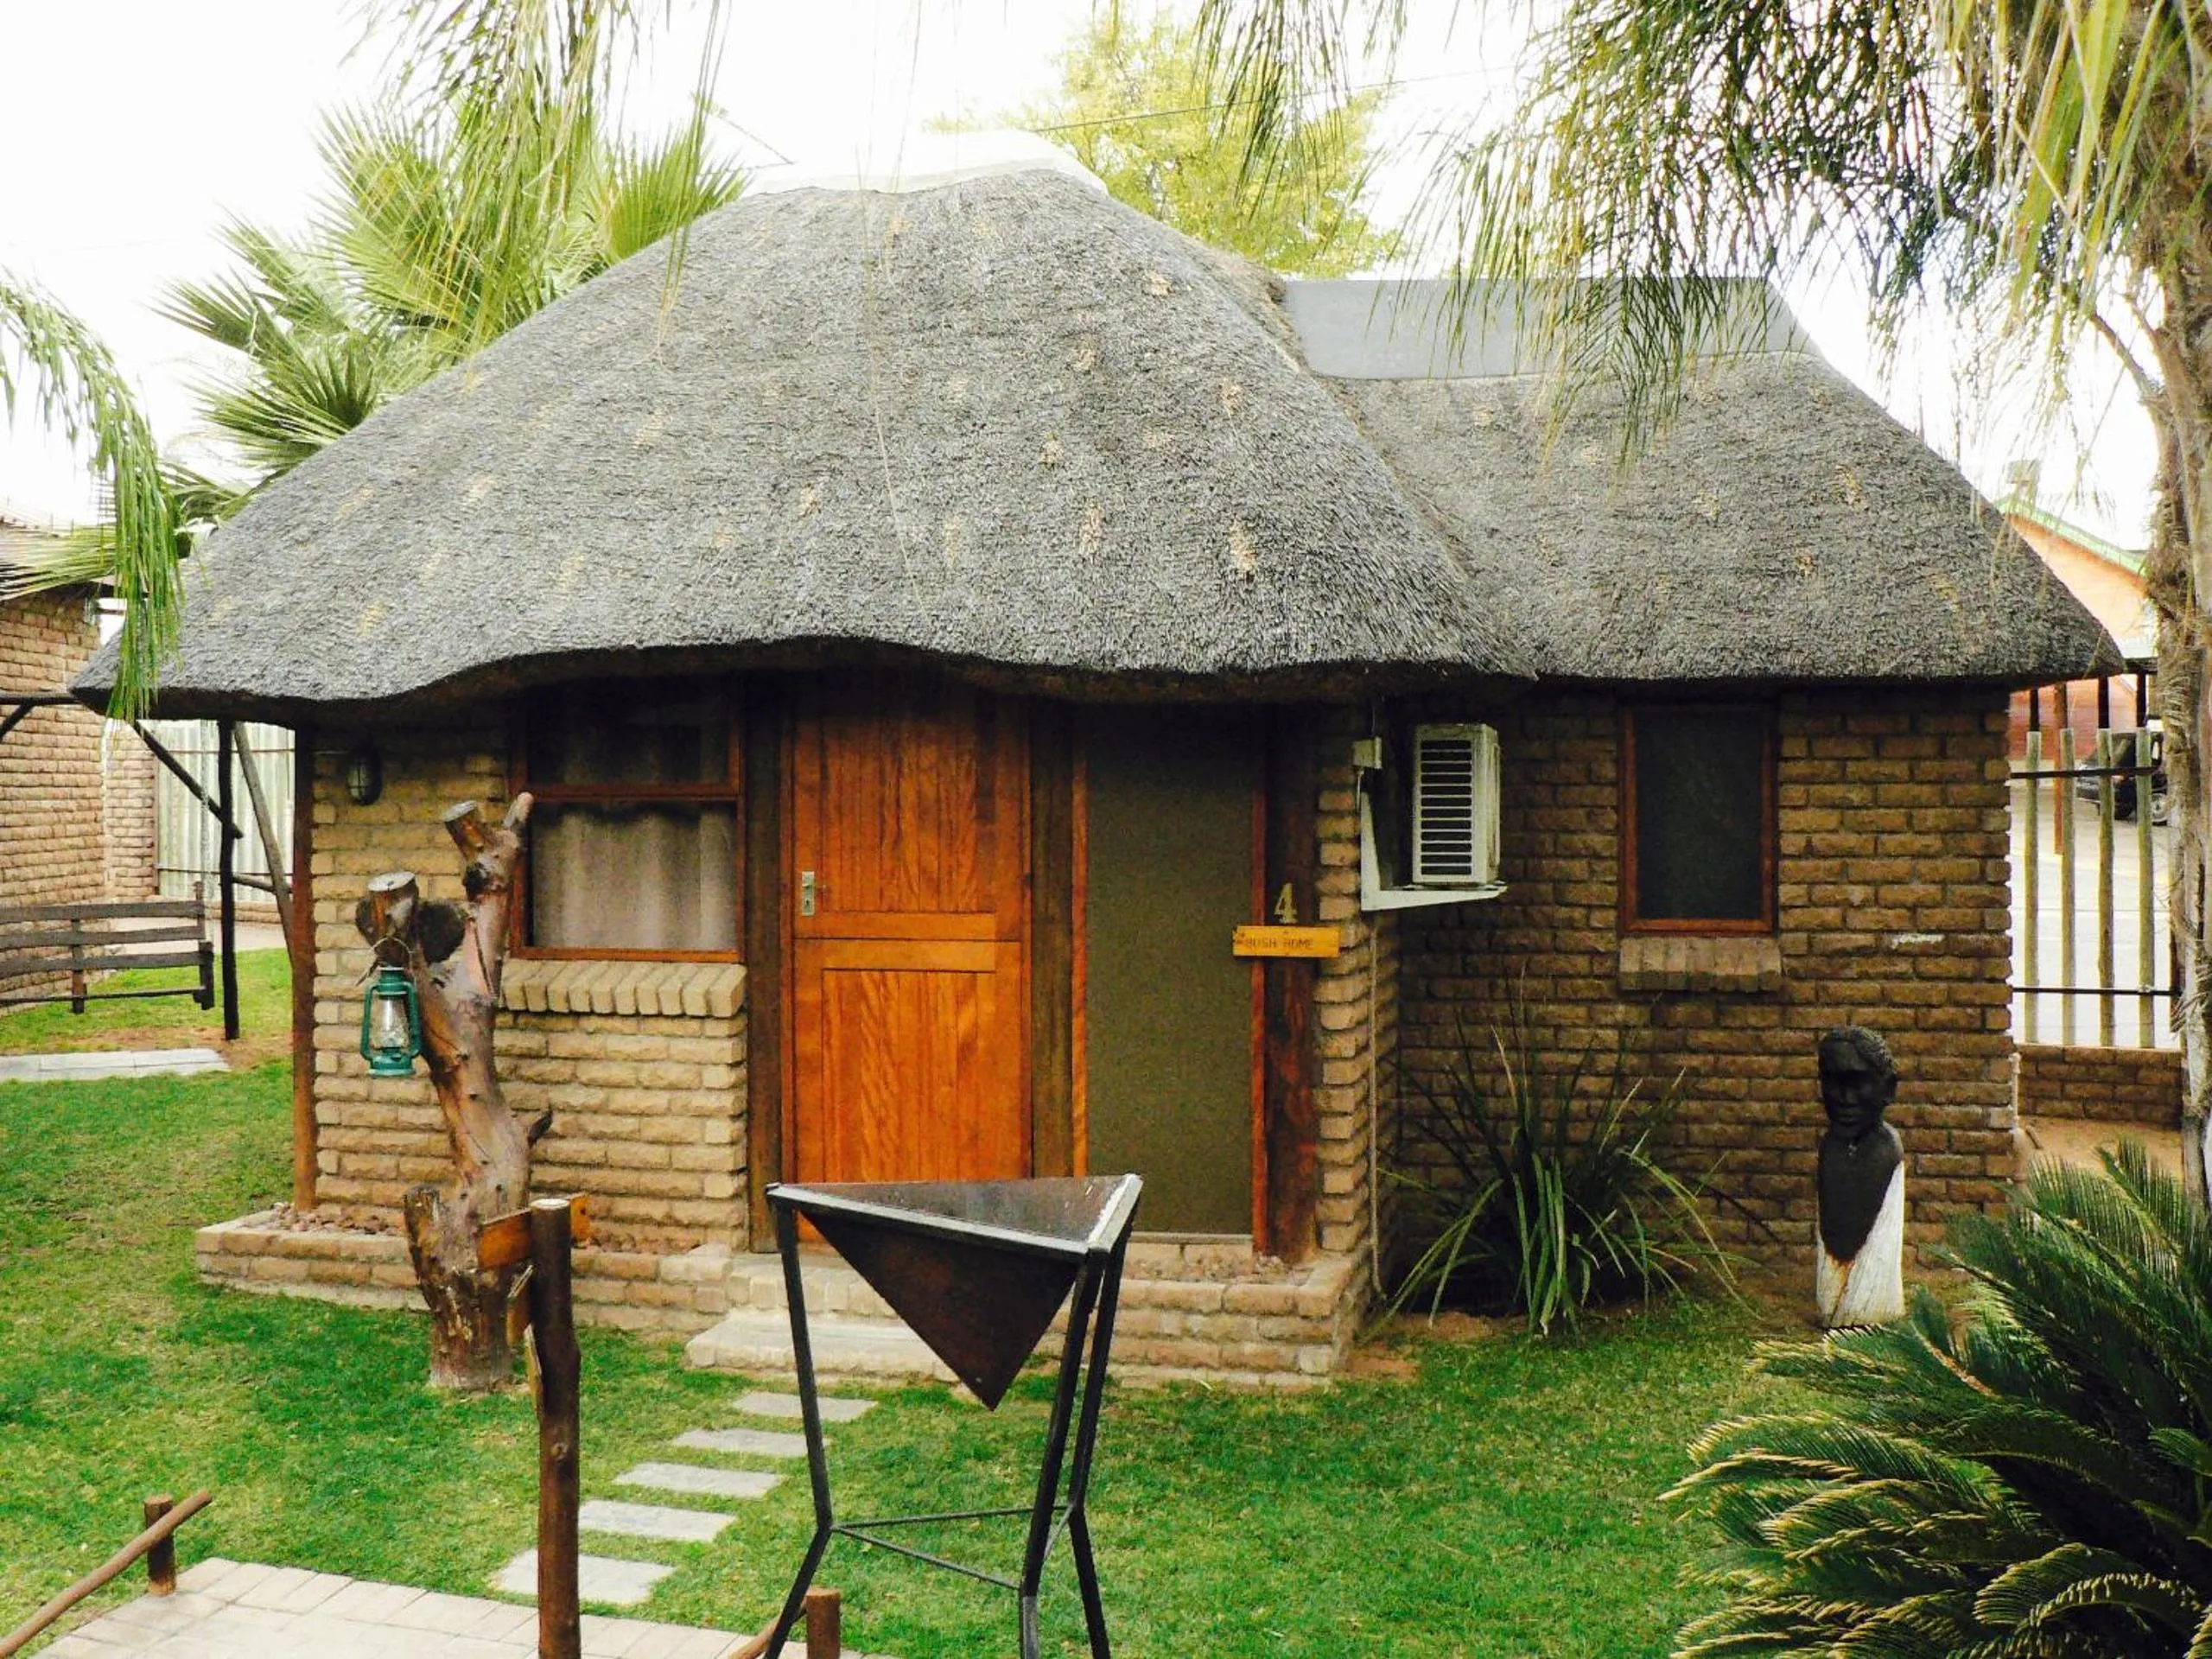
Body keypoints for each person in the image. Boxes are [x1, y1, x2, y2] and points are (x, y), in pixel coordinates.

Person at [1815, 1027, 1905, 1327]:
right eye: (1833, 1082)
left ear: (1889, 1089)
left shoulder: (1886, 1151)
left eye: (1858, 1083)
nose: (1844, 1098)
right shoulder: (1829, 1148)